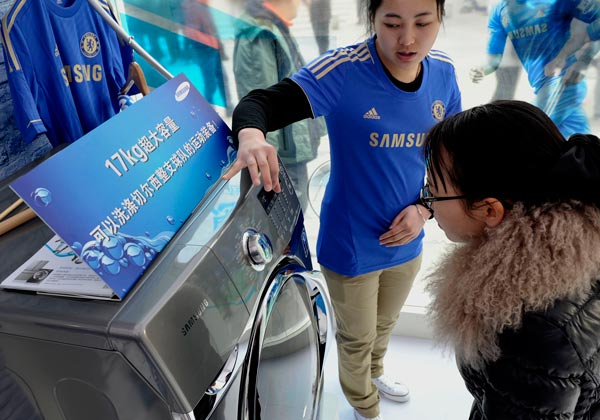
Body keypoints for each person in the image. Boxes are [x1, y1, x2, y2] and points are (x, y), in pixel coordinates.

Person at [224, 0, 462, 418]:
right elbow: (259, 103)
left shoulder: (442, 72)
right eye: (392, 23)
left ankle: (374, 372)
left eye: (423, 23)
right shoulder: (343, 71)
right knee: (356, 335)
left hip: (409, 236)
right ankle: (362, 404)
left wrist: (425, 209)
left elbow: (451, 156)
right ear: (371, 17)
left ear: (441, 18)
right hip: (351, 242)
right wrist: (250, 135)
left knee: (384, 325)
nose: (408, 39)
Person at [422, 100, 600, 419]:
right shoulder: (582, 244)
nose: (428, 202)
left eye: (433, 191)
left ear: (490, 210)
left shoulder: (527, 321)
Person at [233, 0, 326, 212]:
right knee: (288, 222)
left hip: (288, 150)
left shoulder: (271, 26)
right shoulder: (259, 34)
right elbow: (263, 102)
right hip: (281, 158)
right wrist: (271, 165)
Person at [469, 0, 600, 138]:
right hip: (541, 86)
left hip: (563, 83)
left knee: (528, 131)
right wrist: (483, 69)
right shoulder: (498, 12)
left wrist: (581, 64)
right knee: (575, 139)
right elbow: (495, 59)